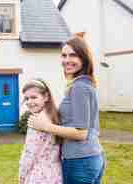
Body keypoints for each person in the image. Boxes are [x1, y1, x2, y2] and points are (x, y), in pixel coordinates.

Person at [28, 36, 105, 184]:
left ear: (83, 58)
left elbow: (81, 133)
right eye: (64, 55)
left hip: (79, 161)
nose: (67, 60)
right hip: (92, 157)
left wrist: (45, 126)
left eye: (73, 55)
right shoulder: (86, 83)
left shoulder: (79, 87)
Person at [19, 78, 63, 184]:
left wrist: (22, 176)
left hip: (38, 176)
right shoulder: (54, 117)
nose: (29, 102)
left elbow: (29, 155)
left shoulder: (37, 122)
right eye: (26, 98)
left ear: (46, 97)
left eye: (34, 97)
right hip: (55, 174)